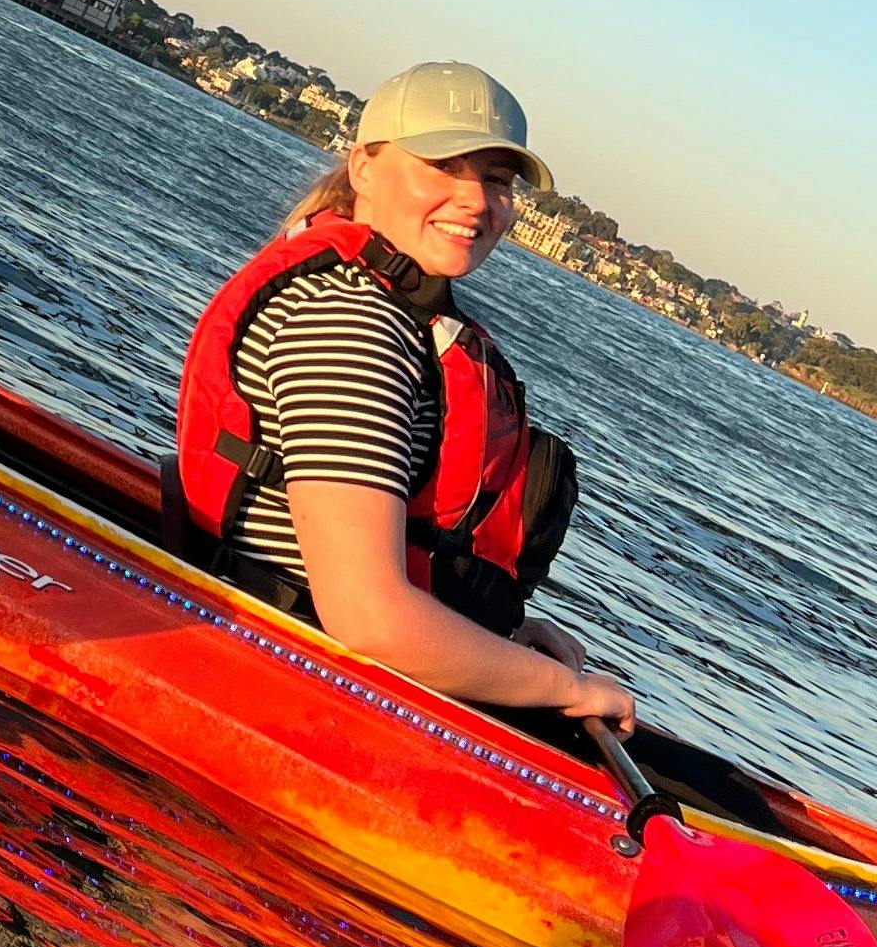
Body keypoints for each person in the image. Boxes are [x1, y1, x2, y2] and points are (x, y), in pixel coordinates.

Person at [170, 60, 634, 732]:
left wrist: (502, 640)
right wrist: (563, 689)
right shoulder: (353, 322)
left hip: (330, 658)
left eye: (497, 180)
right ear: (364, 167)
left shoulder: (388, 307)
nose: (478, 200)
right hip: (296, 683)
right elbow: (369, 616)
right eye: (445, 167)